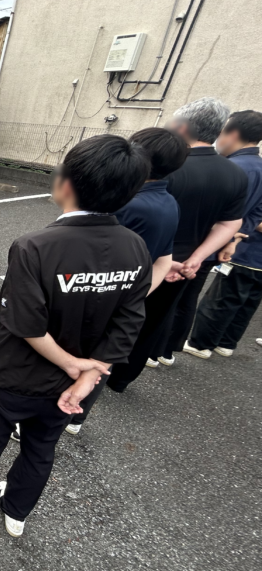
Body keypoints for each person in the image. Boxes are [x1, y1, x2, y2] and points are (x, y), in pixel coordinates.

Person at [0, 135, 151, 539]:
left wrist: (73, 365)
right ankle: (16, 512)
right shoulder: (136, 248)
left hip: (10, 375)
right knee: (40, 449)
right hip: (69, 386)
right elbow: (129, 322)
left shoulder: (35, 246)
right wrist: (87, 376)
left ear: (67, 183)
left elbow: (27, 323)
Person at [106, 98, 247, 391]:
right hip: (184, 267)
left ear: (181, 127)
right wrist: (197, 258)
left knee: (116, 315)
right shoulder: (235, 173)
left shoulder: (163, 168)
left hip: (141, 257)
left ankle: (96, 371)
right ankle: (122, 378)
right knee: (153, 321)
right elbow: (229, 223)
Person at [62, 127, 188, 435]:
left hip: (92, 296)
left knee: (74, 357)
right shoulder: (170, 203)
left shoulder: (127, 206)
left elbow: (86, 254)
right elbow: (164, 259)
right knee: (103, 356)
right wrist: (136, 295)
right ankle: (76, 417)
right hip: (124, 294)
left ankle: (55, 415)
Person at [184, 110, 262, 359]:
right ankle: (225, 343)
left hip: (213, 245)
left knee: (218, 299)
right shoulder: (259, 167)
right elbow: (256, 213)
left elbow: (220, 212)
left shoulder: (234, 168)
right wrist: (239, 234)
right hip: (239, 248)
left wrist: (232, 237)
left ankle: (198, 344)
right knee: (244, 302)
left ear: (233, 133)